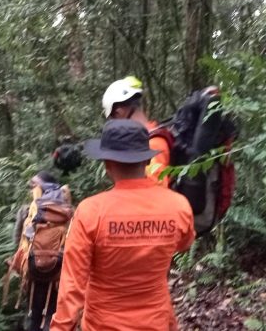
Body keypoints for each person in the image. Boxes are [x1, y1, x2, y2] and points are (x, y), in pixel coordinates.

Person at [50, 119, 195, 331]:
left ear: (107, 164)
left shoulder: (90, 212)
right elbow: (184, 243)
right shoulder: (178, 205)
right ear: (146, 161)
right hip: (156, 322)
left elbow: (72, 285)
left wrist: (60, 328)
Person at [9, 171, 72, 331]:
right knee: (53, 313)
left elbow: (17, 242)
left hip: (33, 273)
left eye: (33, 186)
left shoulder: (26, 211)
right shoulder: (67, 211)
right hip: (59, 275)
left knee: (32, 313)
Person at [101, 76, 170, 184]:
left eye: (112, 118)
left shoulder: (153, 144)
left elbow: (156, 190)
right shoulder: (151, 134)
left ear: (119, 113)